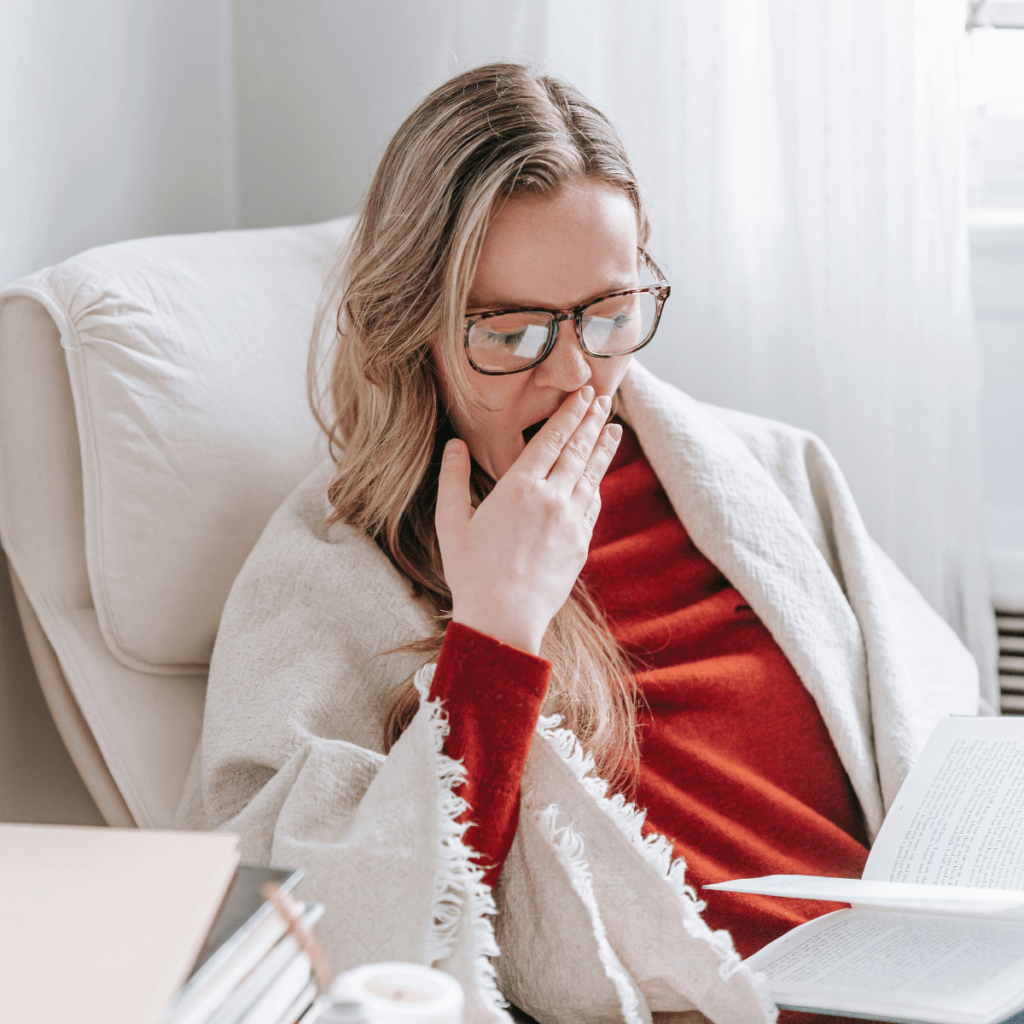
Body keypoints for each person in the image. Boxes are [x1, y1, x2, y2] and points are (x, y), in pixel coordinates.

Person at [176, 63, 979, 1024]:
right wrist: (497, 625)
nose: (576, 378)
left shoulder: (767, 473)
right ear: (410, 331)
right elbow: (323, 927)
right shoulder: (331, 568)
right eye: (513, 332)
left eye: (608, 315)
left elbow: (940, 740)